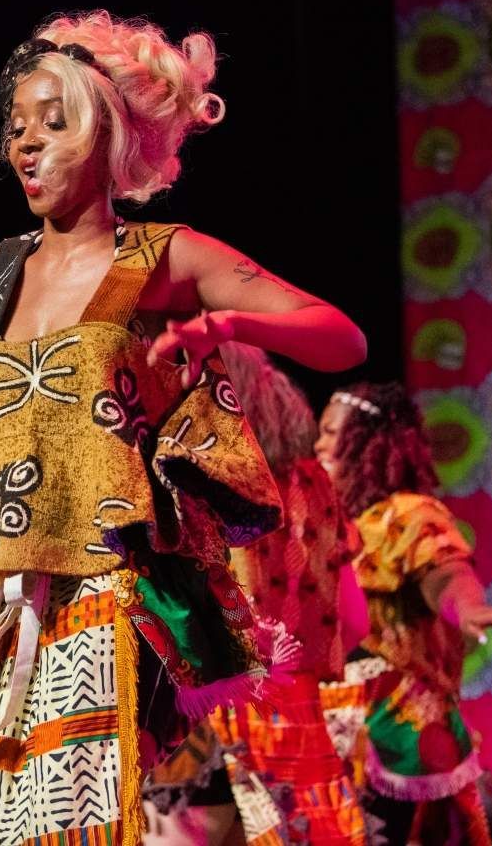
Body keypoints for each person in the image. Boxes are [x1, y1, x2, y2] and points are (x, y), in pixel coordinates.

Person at [0, 11, 367, 845]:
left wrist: (225, 329)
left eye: (51, 124)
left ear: (104, 135)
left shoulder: (163, 256)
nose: (25, 145)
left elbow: (339, 333)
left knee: (77, 825)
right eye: (17, 127)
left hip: (106, 589)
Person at [144, 343, 368, 845]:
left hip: (204, 722)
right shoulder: (315, 486)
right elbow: (355, 622)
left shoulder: (191, 479)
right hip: (294, 731)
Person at [316, 382, 492, 845]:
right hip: (335, 722)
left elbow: (446, 572)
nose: (318, 445)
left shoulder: (406, 514)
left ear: (366, 442)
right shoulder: (327, 522)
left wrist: (469, 609)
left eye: (330, 433)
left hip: (397, 721)